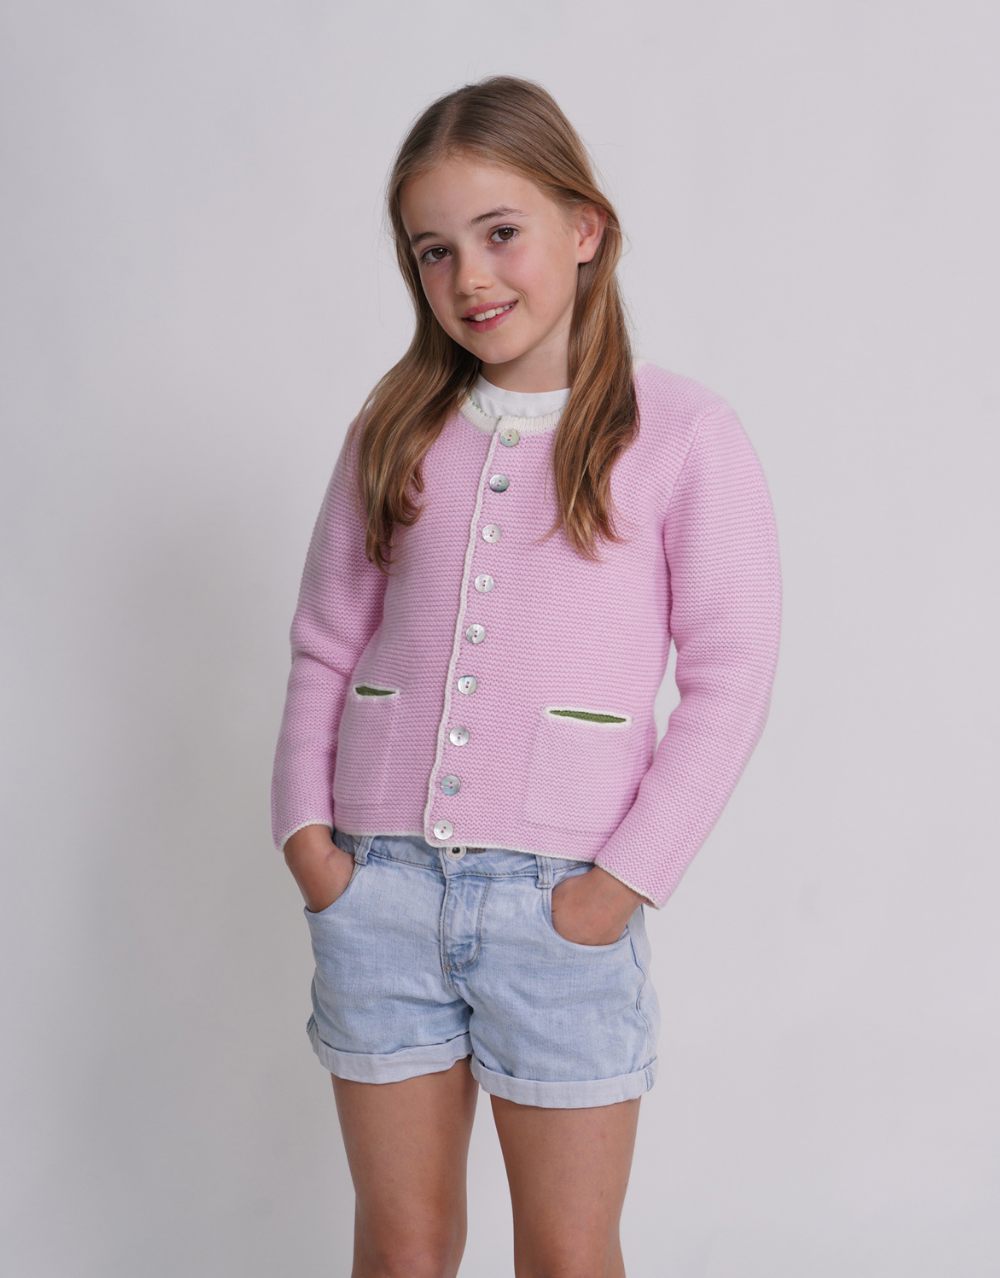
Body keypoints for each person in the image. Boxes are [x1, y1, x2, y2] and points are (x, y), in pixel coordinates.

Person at [271, 75, 781, 1278]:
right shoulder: (393, 427)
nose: (470, 278)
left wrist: (618, 885)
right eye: (434, 251)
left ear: (584, 227)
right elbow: (325, 641)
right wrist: (307, 838)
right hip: (378, 888)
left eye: (501, 233)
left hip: (561, 904)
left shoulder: (680, 433)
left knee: (565, 1252)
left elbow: (730, 673)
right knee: (402, 1249)